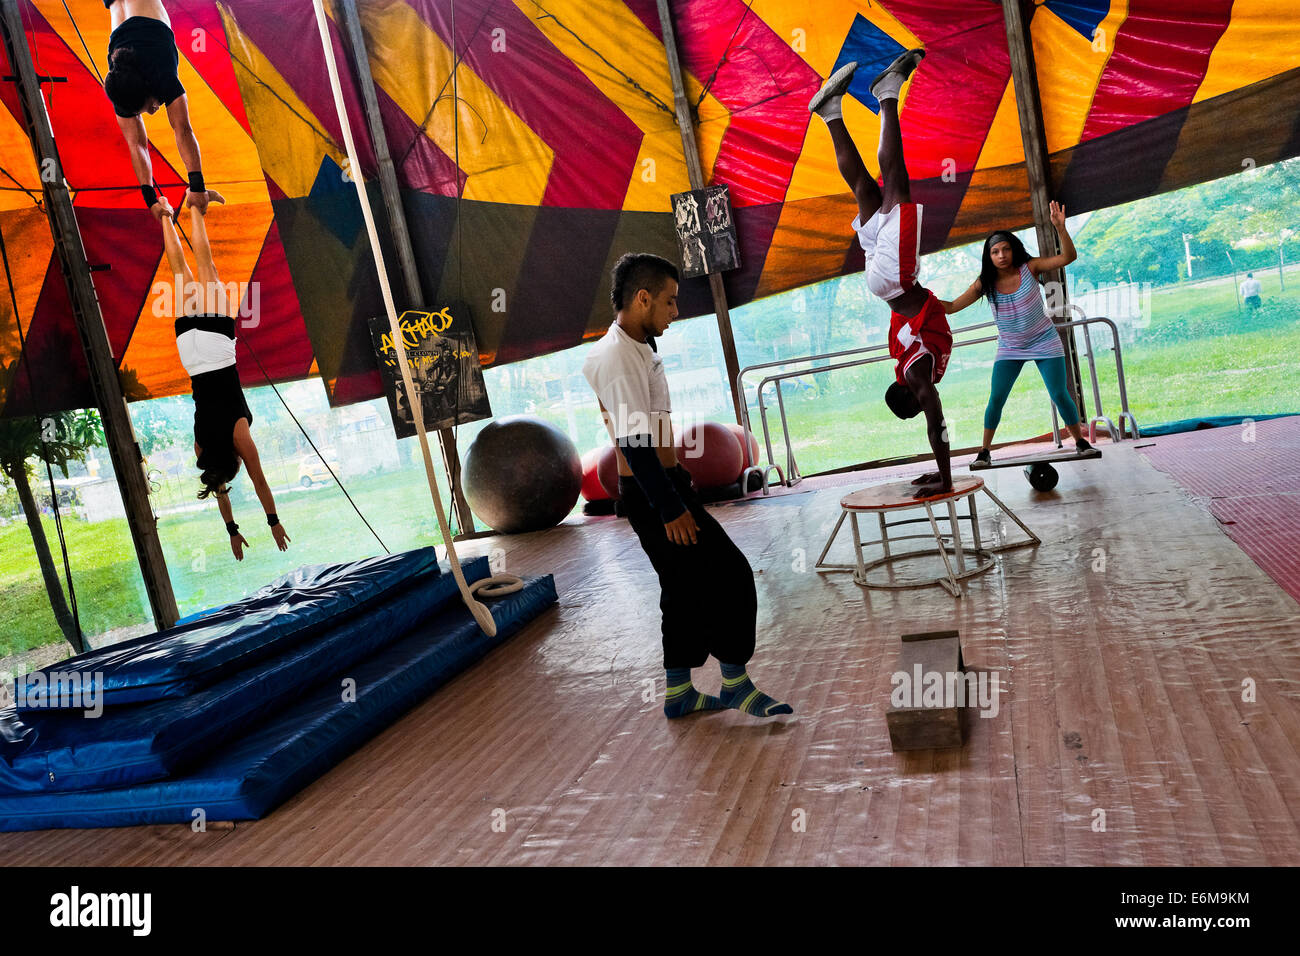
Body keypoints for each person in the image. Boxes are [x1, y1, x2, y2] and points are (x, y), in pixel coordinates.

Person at [582, 253, 792, 720]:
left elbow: (650, 431)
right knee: (732, 575)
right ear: (642, 299)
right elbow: (634, 444)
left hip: (664, 485)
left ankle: (679, 692)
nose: (676, 311)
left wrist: (678, 476)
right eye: (671, 301)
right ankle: (735, 683)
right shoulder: (617, 357)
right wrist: (671, 504)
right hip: (655, 495)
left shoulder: (637, 349)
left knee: (681, 588)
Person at [808, 52, 954, 499]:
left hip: (895, 275)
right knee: (866, 190)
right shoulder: (908, 363)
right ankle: (830, 112)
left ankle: (886, 92)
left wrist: (945, 477)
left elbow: (938, 426)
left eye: (916, 404)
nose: (923, 402)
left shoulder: (919, 376)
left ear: (908, 395)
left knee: (896, 182)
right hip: (883, 281)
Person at [160, 190, 289, 560]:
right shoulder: (201, 446)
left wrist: (273, 522)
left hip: (217, 352)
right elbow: (217, 486)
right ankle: (166, 216)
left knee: (206, 268)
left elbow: (260, 480)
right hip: (192, 354)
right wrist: (231, 530)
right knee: (181, 273)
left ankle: (193, 208)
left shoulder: (239, 434)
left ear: (234, 458)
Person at [940, 209, 1094, 463]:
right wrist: (919, 298)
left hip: (1044, 340)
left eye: (1005, 249)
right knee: (997, 398)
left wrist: (1060, 228)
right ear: (989, 257)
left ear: (1013, 250)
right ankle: (984, 451)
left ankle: (1079, 441)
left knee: (1059, 393)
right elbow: (953, 307)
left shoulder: (1030, 267)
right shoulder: (984, 283)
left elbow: (1068, 256)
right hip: (1011, 347)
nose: (1001, 255)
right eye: (995, 252)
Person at [104, 0, 209, 222]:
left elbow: (183, 130)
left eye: (148, 106)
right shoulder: (121, 88)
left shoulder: (161, 70)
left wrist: (198, 186)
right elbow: (137, 144)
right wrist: (150, 199)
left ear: (149, 87)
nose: (154, 110)